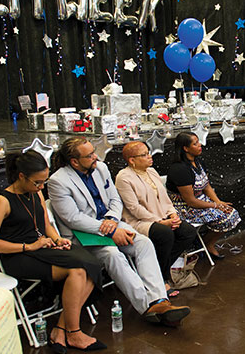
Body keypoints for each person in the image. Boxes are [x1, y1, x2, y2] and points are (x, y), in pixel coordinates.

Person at [48, 137, 190, 328]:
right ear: (74, 161)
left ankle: (160, 300)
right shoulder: (58, 181)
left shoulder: (101, 168)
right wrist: (108, 231)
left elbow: (115, 200)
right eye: (89, 155)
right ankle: (148, 306)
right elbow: (73, 218)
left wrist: (112, 221)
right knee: (112, 254)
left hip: (111, 222)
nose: (95, 157)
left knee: (144, 243)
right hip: (83, 234)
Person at [0, 150, 106, 354]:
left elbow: (45, 223)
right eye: (37, 182)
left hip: (44, 247)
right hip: (19, 255)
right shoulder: (3, 201)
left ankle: (60, 329)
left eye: (43, 182)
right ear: (21, 176)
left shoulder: (36, 193)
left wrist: (58, 239)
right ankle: (73, 332)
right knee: (79, 270)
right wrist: (28, 247)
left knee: (90, 265)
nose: (41, 187)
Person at [115, 141, 199, 293]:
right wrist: (161, 221)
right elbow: (134, 208)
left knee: (188, 232)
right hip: (139, 221)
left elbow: (165, 199)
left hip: (162, 216)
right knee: (165, 234)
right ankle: (161, 278)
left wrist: (173, 215)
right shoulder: (123, 177)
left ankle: (158, 269)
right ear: (132, 160)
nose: (149, 157)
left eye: (148, 153)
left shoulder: (151, 171)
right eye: (144, 154)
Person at [166, 132, 241, 260]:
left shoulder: (198, 162)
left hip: (201, 201)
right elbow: (190, 201)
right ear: (186, 148)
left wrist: (219, 202)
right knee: (225, 216)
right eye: (195, 143)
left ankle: (206, 242)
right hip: (184, 208)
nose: (200, 145)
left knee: (231, 213)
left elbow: (206, 186)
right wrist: (215, 205)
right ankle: (206, 243)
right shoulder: (179, 169)